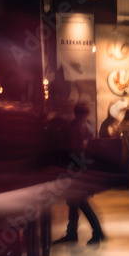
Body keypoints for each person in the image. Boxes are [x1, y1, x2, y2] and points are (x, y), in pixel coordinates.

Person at [53, 102, 105, 246]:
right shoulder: (88, 127)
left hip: (75, 169)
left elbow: (71, 150)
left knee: (79, 201)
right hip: (81, 168)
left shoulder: (73, 128)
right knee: (74, 202)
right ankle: (73, 232)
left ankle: (97, 231)